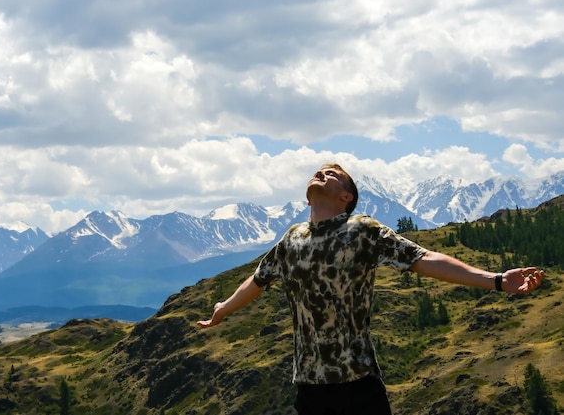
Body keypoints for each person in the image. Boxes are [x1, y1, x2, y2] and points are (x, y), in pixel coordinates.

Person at [197, 163, 544, 415]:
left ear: (346, 196)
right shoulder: (291, 240)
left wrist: (495, 280)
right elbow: (258, 280)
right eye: (319, 171)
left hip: (357, 383)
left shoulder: (362, 230)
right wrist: (223, 308)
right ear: (306, 200)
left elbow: (423, 258)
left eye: (333, 174)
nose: (322, 173)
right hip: (308, 386)